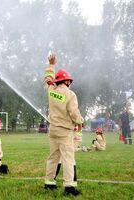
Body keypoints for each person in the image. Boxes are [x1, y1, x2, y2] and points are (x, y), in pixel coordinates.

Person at [44, 53, 84, 196]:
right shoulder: (70, 94)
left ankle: (49, 182)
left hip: (53, 130)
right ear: (67, 81)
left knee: (53, 156)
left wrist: (51, 65)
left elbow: (48, 79)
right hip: (65, 130)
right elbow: (73, 113)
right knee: (68, 158)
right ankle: (69, 187)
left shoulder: (51, 91)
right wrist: (80, 122)